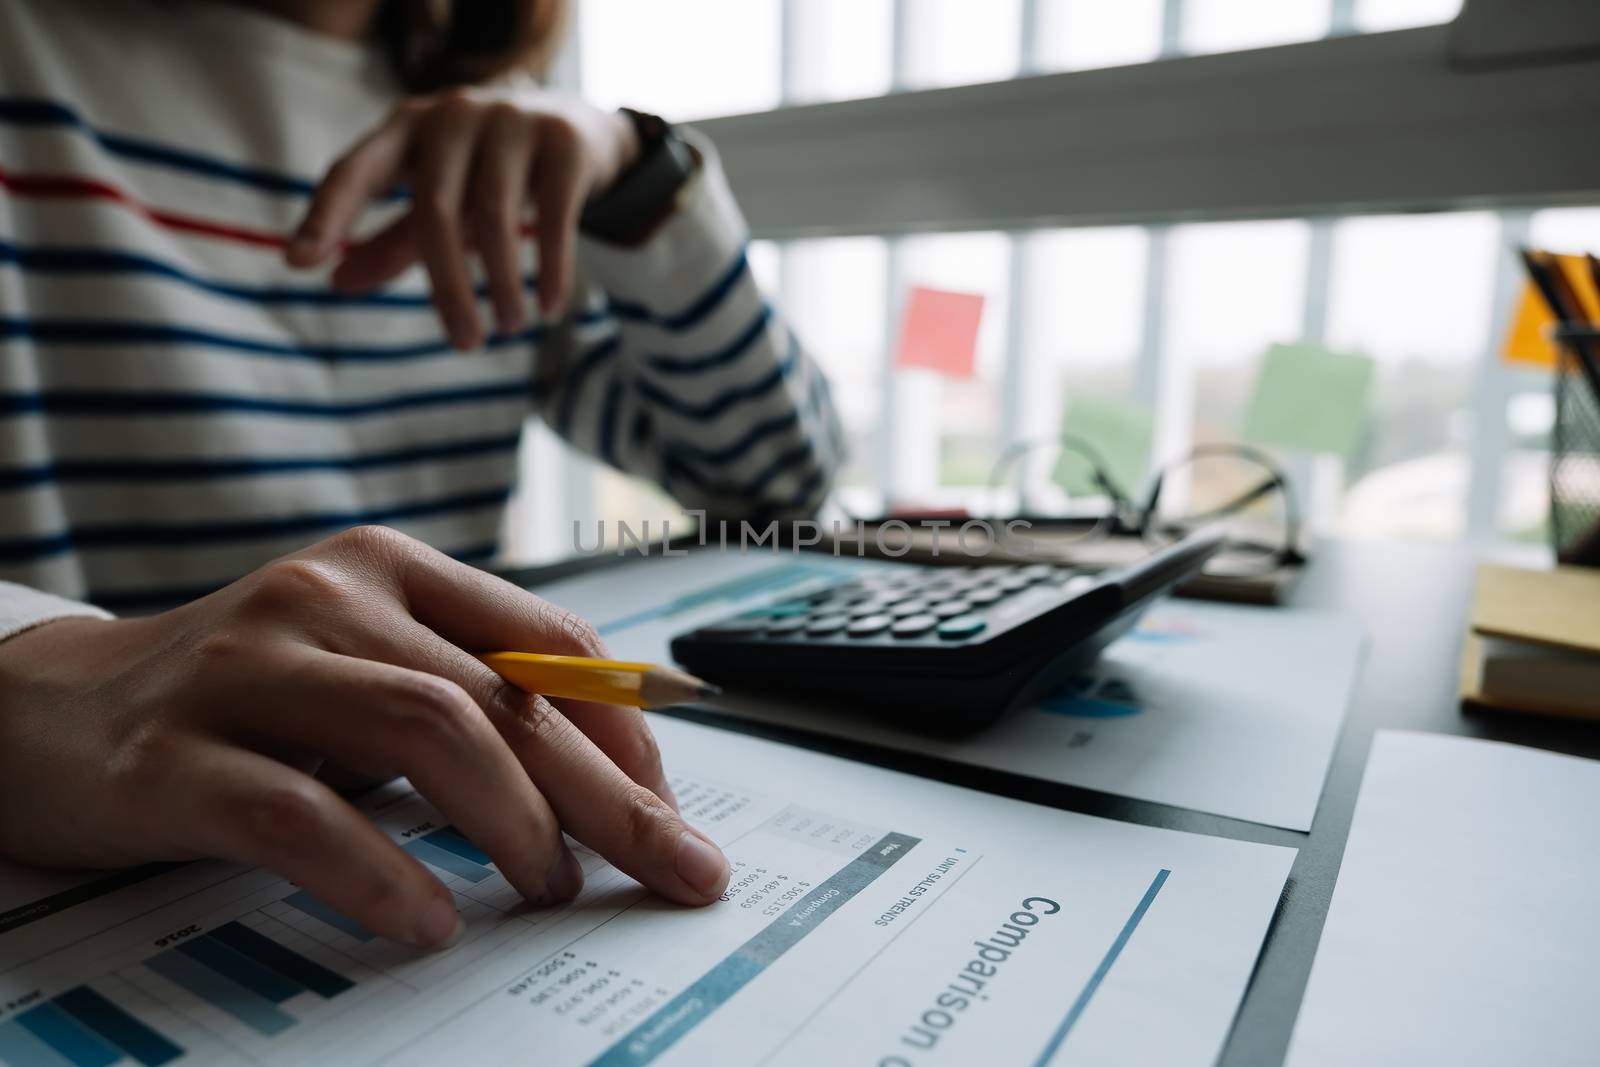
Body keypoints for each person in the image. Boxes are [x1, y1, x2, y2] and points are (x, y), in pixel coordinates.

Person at [0, 0, 842, 949]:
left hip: (420, 810)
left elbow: (776, 489)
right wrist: (26, 665)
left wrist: (637, 178)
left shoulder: (496, 152)